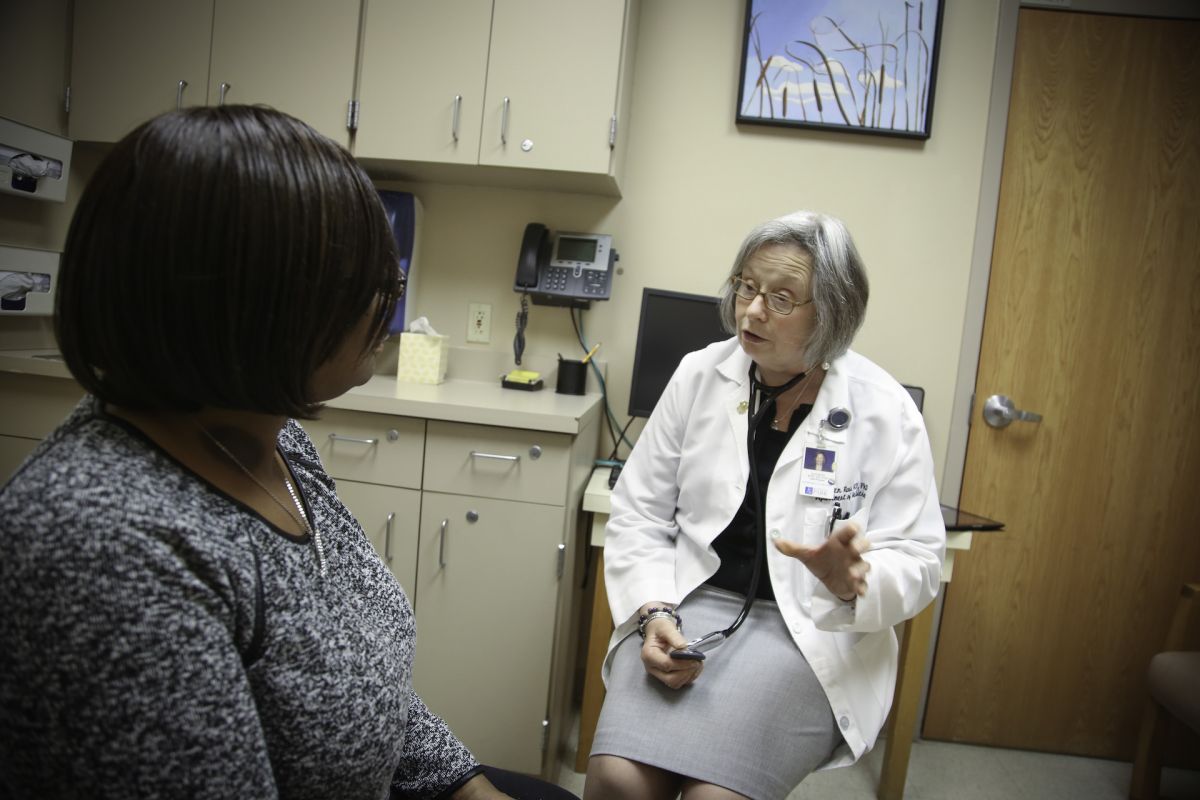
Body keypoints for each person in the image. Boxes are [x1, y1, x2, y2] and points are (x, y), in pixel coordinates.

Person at [0, 106, 534, 800]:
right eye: (364, 278)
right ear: (242, 297)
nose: (391, 296)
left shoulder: (270, 437)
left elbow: (359, 674)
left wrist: (465, 786)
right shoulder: (103, 544)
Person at [585, 211, 946, 800]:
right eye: (746, 287)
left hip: (807, 631)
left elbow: (920, 558)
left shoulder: (885, 410)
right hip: (685, 605)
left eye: (781, 298)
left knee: (716, 797)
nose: (751, 311)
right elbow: (639, 511)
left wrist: (851, 583)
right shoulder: (699, 376)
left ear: (832, 313)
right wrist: (653, 614)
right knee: (617, 781)